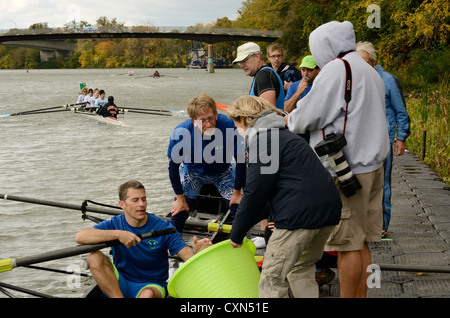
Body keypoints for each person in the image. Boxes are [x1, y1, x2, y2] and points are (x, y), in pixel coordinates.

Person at [287, 21, 390, 298]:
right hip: (374, 167)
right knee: (363, 242)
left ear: (325, 46)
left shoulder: (337, 68)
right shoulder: (369, 70)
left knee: (346, 246)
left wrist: (290, 117)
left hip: (348, 172)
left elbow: (307, 116)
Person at [228, 95, 342, 298]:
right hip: (328, 210)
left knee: (271, 279)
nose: (238, 130)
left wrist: (236, 233)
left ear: (244, 119)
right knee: (301, 268)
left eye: (236, 123)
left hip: (299, 215)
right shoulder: (285, 135)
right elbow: (268, 194)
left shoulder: (263, 140)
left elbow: (256, 192)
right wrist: (245, 222)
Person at [75, 180, 212, 298]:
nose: (141, 204)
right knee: (93, 256)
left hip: (151, 285)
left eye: (144, 199)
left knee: (147, 295)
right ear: (122, 204)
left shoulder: (162, 227)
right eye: (135, 200)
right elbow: (81, 237)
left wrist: (198, 254)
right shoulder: (115, 224)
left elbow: (186, 255)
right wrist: (119, 235)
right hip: (121, 281)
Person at [167, 93, 245, 233]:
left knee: (240, 208)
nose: (208, 125)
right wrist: (179, 198)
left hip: (222, 171)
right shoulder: (182, 131)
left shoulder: (229, 125)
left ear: (216, 114)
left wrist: (237, 191)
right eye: (202, 121)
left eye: (210, 118)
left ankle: (243, 240)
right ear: (193, 121)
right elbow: (173, 167)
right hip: (193, 172)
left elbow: (240, 160)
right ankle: (173, 245)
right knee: (180, 209)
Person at [356, 41, 411, 238]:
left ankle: (382, 225)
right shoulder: (359, 79)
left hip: (384, 140)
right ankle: (367, 223)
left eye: (363, 61)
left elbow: (401, 112)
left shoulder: (387, 80)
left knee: (383, 183)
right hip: (364, 140)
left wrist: (401, 137)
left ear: (372, 61)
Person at [233, 42, 285, 110]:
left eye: (244, 60)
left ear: (257, 57)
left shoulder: (264, 76)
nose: (242, 66)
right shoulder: (264, 73)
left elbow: (268, 113)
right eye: (240, 62)